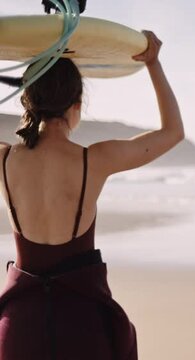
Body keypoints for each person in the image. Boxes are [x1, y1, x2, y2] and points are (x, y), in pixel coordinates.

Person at [0, 31, 183, 359]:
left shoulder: (3, 159)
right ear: (77, 103)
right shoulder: (94, 159)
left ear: (26, 99)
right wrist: (153, 63)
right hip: (83, 323)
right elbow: (173, 132)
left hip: (19, 326)